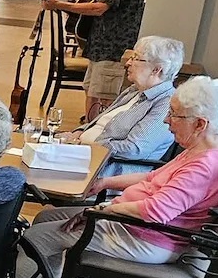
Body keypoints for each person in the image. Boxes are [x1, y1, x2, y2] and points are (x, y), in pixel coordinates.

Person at [19, 76, 218, 278]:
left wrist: (103, 209)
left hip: (147, 237)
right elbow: (153, 177)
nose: (166, 120)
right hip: (136, 226)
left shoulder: (204, 167)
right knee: (45, 217)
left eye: (174, 114)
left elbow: (155, 211)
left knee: (35, 238)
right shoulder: (209, 150)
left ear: (200, 124)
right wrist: (105, 182)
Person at [43, 0, 148, 119]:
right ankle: (90, 126)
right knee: (92, 90)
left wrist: (60, 5)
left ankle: (97, 130)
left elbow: (100, 7)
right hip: (102, 46)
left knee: (104, 96)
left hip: (113, 47)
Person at [63, 36, 181, 178]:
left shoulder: (166, 103)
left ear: (156, 69)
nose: (128, 63)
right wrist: (77, 133)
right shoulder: (134, 90)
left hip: (106, 171)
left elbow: (135, 149)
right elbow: (101, 122)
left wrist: (87, 146)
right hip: (83, 156)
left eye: (136, 58)